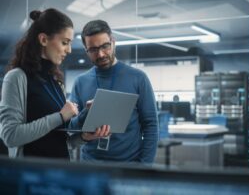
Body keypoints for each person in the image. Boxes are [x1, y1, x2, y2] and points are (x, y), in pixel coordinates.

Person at [0, 8, 110, 159]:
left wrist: (84, 136)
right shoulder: (16, 78)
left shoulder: (56, 81)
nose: (69, 50)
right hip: (31, 175)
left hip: (60, 172)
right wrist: (59, 116)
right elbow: (10, 136)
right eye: (65, 42)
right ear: (44, 39)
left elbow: (60, 142)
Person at [69, 20, 158, 163]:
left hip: (129, 166)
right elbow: (72, 127)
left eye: (105, 46)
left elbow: (151, 125)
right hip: (91, 166)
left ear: (113, 42)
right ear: (86, 50)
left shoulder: (138, 78)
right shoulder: (80, 82)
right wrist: (86, 113)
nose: (101, 54)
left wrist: (144, 166)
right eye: (93, 50)